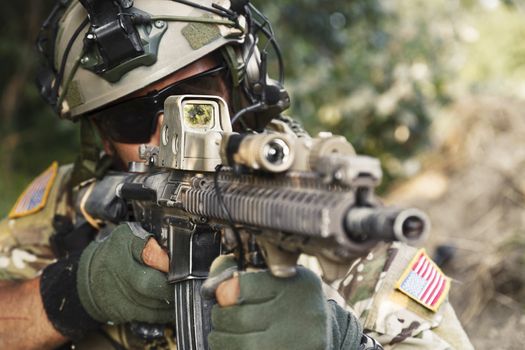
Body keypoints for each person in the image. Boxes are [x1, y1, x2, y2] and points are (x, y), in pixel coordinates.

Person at [0, 0, 472, 349]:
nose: (170, 130)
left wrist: (344, 343)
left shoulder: (329, 220)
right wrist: (74, 290)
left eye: (197, 96)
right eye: (129, 117)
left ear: (239, 84)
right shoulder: (68, 205)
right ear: (101, 137)